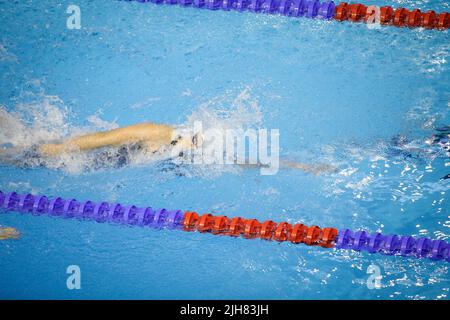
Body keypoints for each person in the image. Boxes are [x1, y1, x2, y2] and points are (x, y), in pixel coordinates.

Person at [0, 122, 337, 174]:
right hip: (65, 155)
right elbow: (93, 142)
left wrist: (301, 167)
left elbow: (243, 161)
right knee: (23, 157)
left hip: (104, 165)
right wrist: (53, 152)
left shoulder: (188, 152)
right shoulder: (155, 132)